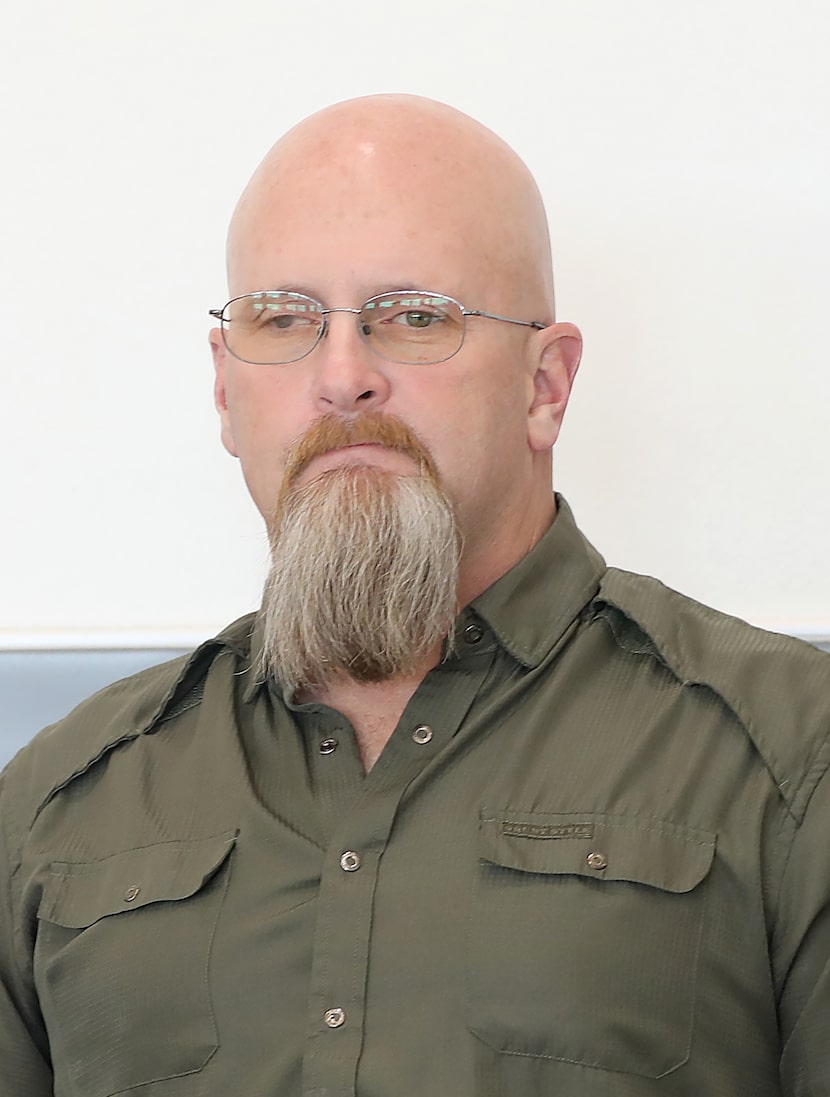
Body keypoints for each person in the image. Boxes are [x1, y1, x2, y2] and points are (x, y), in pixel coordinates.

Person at [1, 94, 829, 1097]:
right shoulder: (58, 803)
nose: (341, 376)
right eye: (283, 319)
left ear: (545, 386)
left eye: (414, 316)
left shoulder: (790, 755)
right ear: (225, 390)